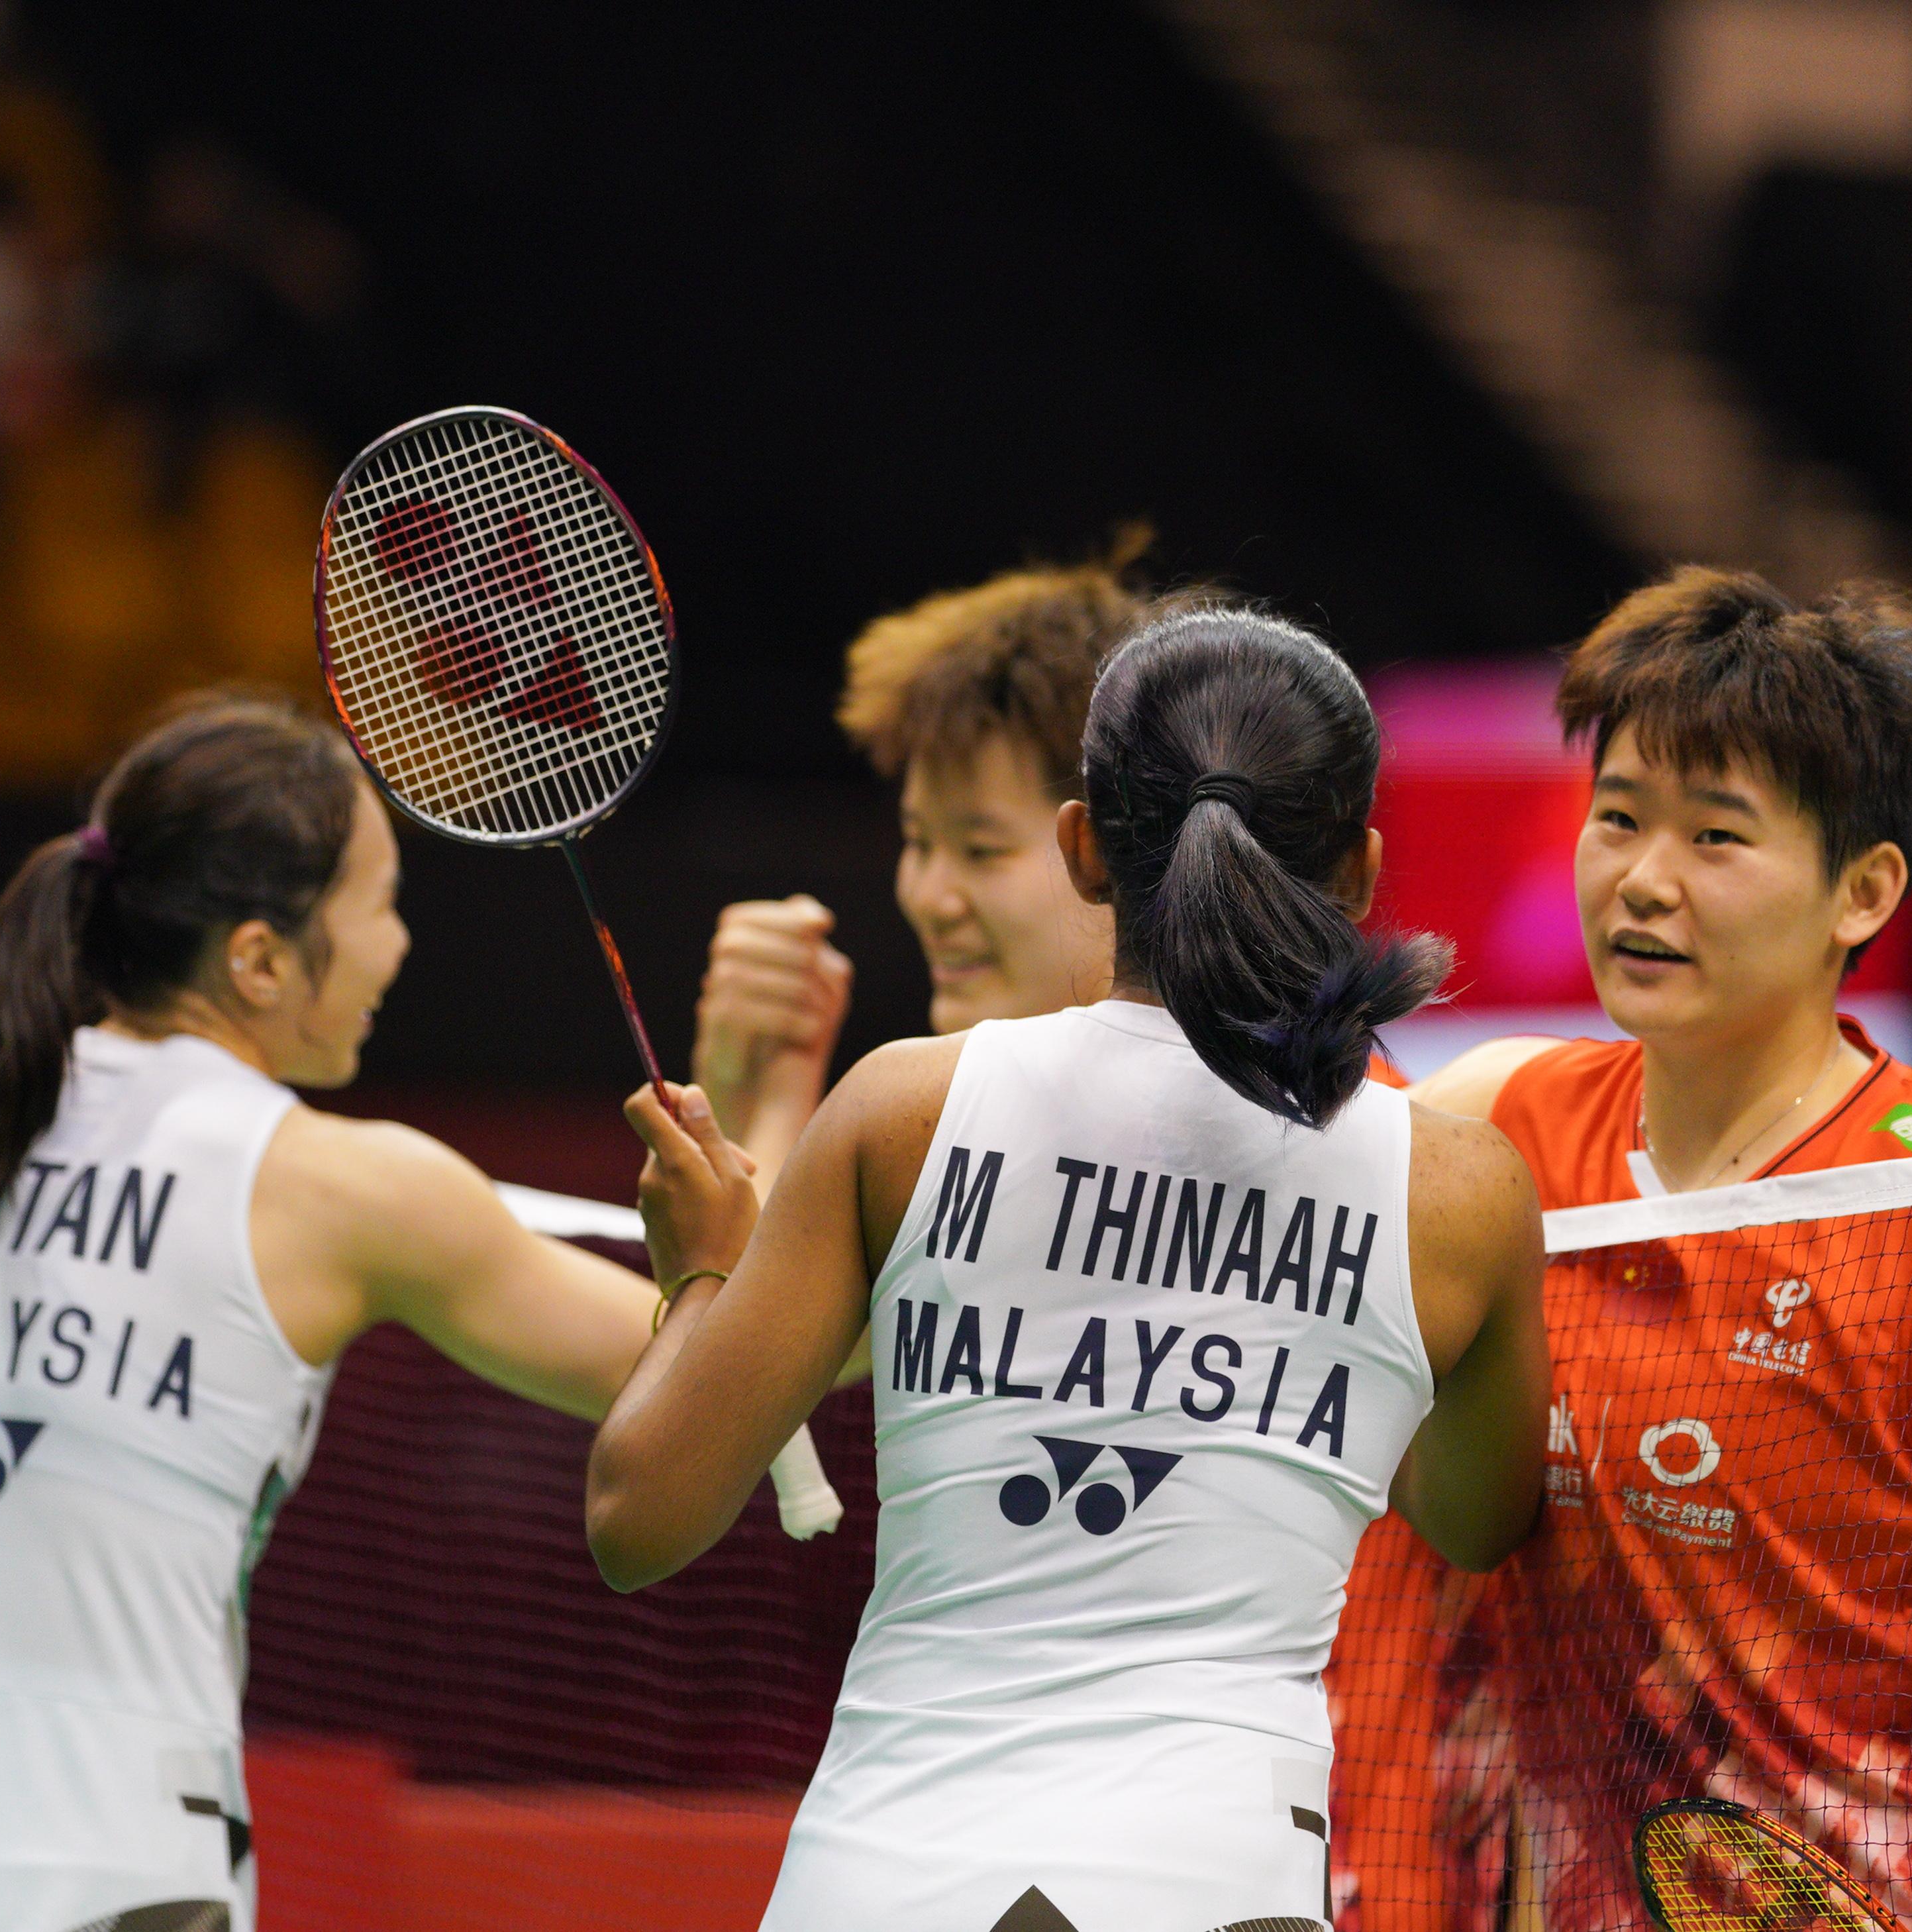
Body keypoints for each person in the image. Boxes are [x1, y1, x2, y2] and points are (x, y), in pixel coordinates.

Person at [586, 609, 1550, 1929]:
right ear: (1364, 866)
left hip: (886, 1875)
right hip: (1219, 1880)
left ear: (1082, 847)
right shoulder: (1457, 1193)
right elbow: (1478, 1518)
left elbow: (637, 1517)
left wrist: (700, 1272)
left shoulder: (901, 1111)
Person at [0, 697, 671, 1932]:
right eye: (382, 902)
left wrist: (30, 1434)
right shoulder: (345, 1187)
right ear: (260, 959)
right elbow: (710, 1371)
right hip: (113, 1871)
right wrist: (761, 1188)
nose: (400, 945)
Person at [1332, 568, 1912, 1932]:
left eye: (1716, 836)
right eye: (1617, 817)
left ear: (1863, 891)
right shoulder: (1490, 1128)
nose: (1642, 879)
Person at [687, 546, 1162, 1184]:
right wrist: (742, 1096)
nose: (930, 898)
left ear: (1114, 852)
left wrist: (772, 1119)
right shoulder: (948, 1119)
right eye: (918, 841)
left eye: (981, 850)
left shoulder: (1203, 1139)